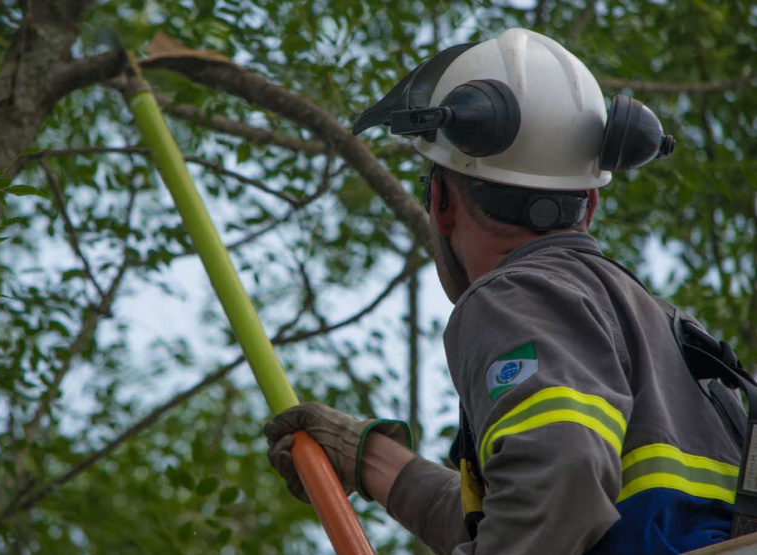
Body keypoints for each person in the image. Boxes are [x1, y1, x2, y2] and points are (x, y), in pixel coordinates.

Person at [263, 28, 742, 554]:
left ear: (441, 201)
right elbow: (539, 513)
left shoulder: (515, 294)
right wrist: (373, 460)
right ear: (590, 201)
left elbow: (561, 479)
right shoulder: (671, 336)